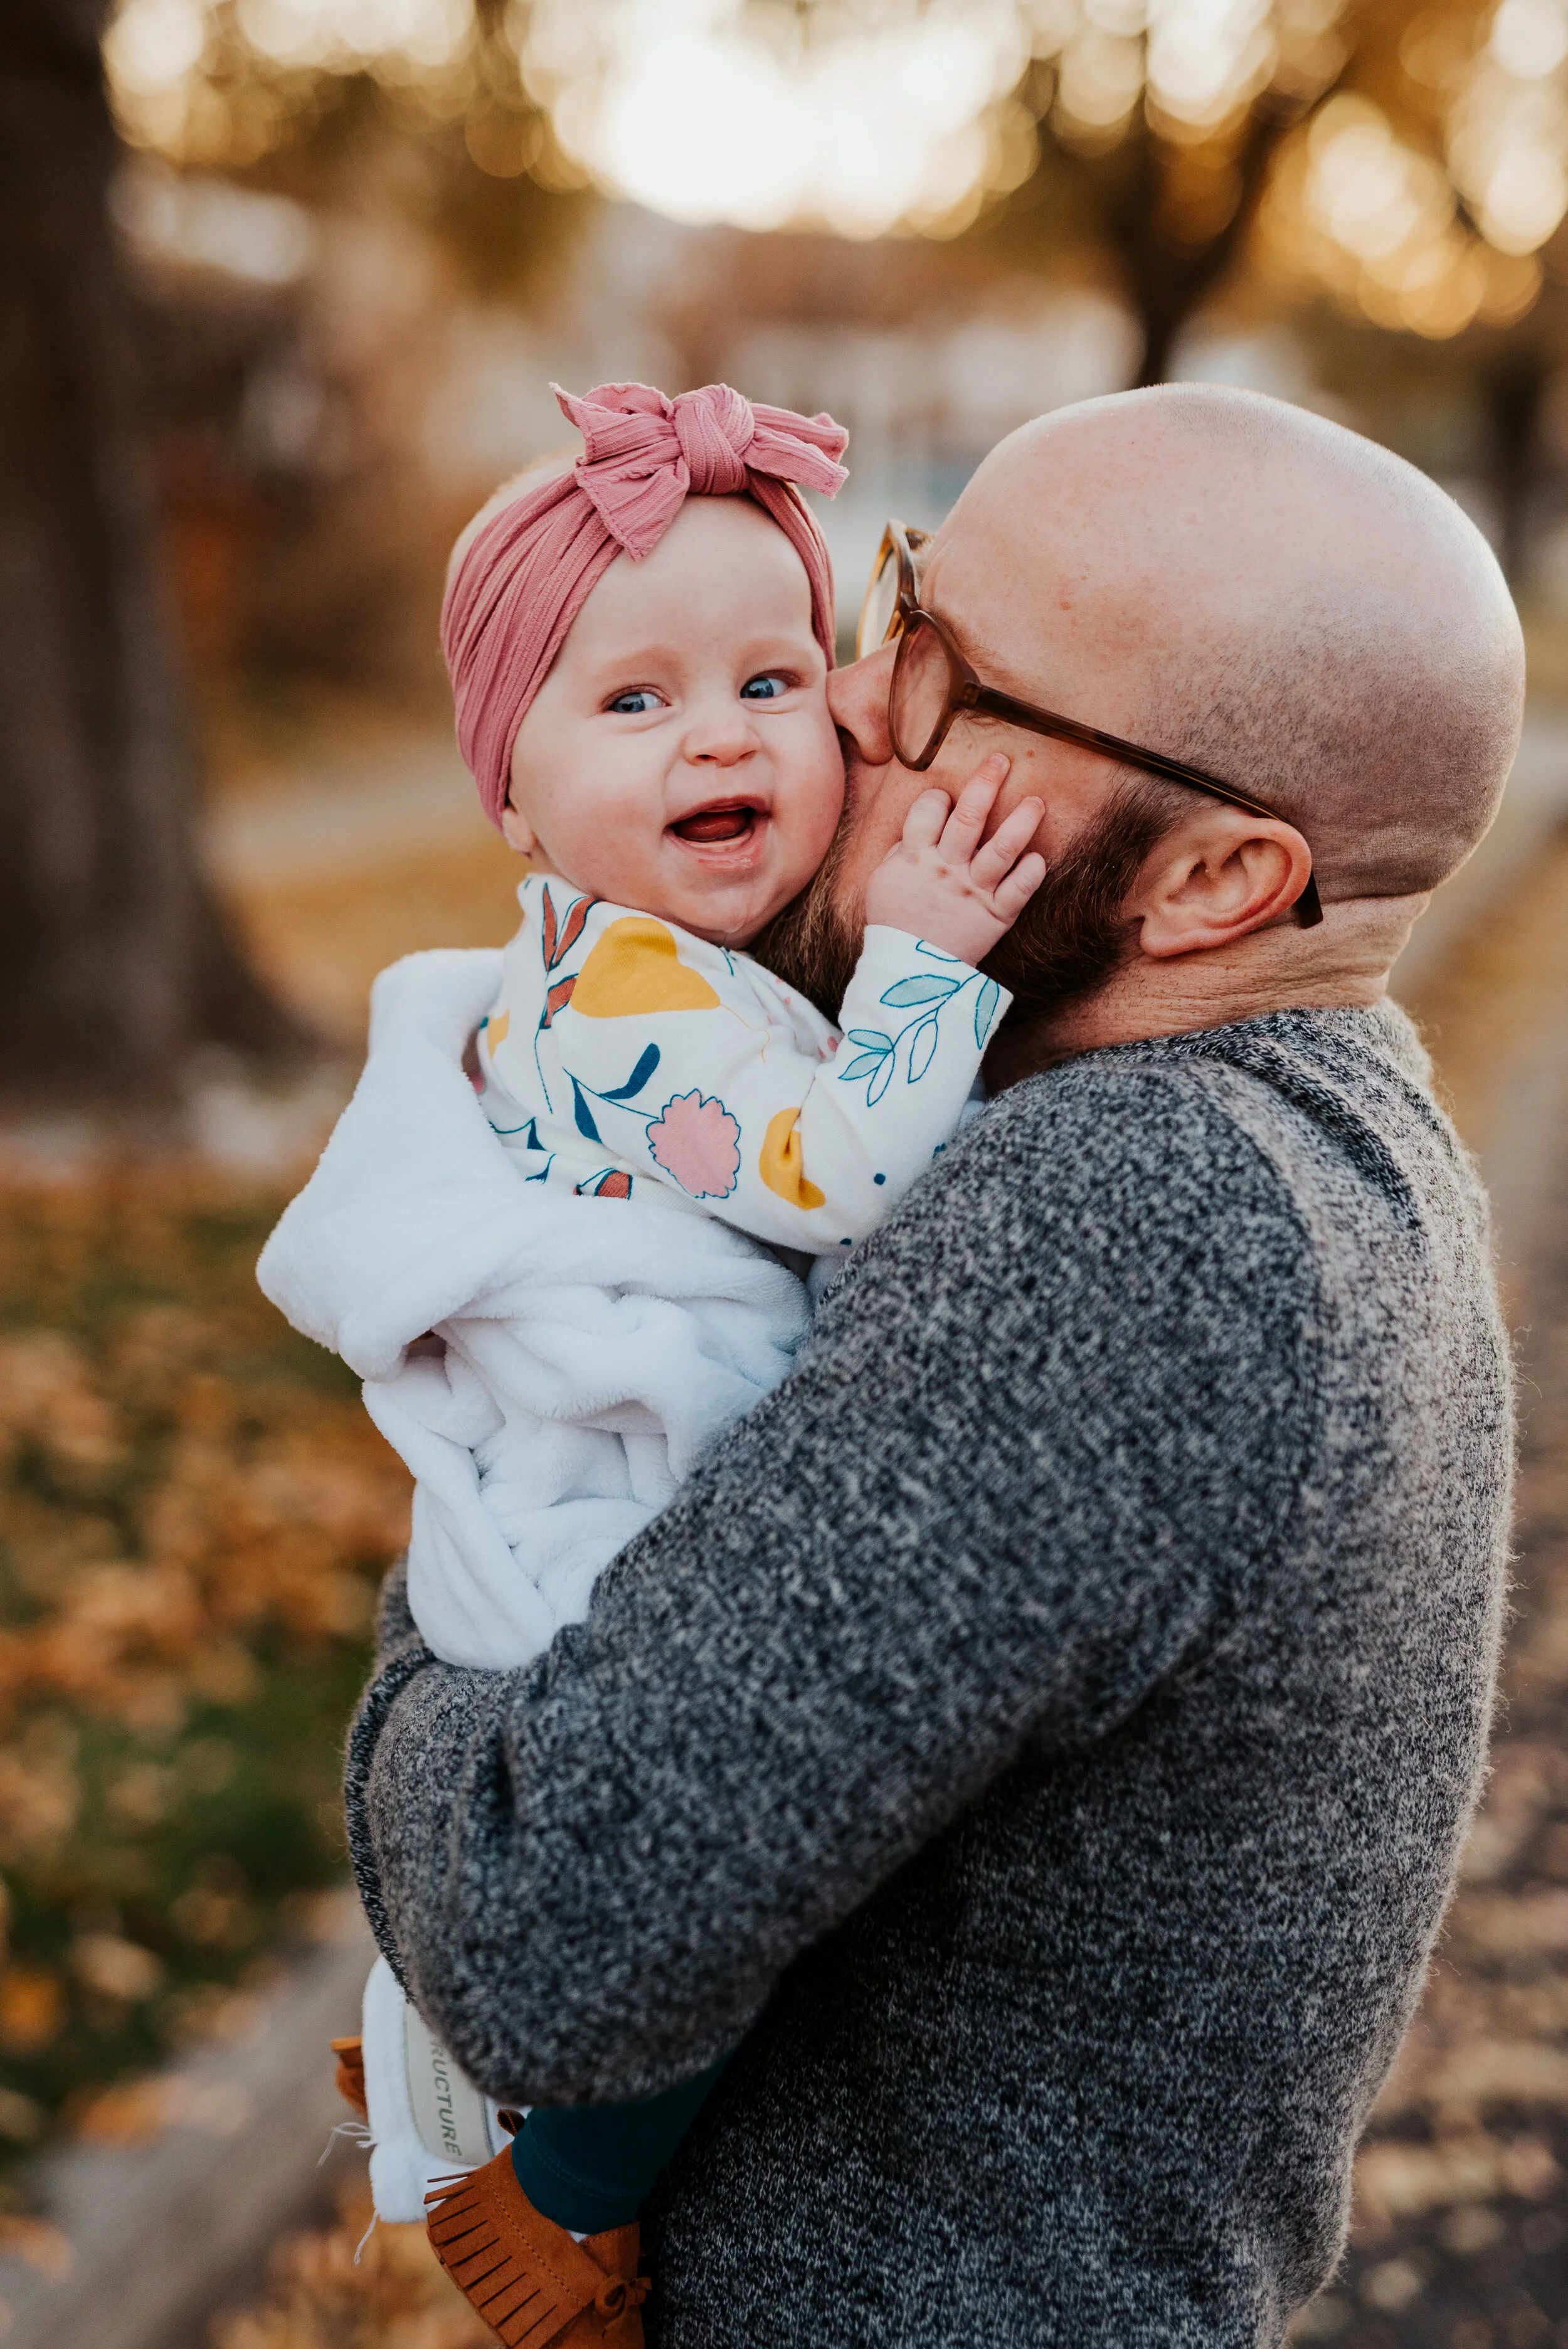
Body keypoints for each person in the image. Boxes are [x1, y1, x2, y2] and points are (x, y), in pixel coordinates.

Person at [343, 384, 1522, 2346]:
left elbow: (547, 1930)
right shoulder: (1334, 1137)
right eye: (894, 601)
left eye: (942, 677)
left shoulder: (1126, 1222)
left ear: (1210, 883)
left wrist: (464, 1524)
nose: (843, 703)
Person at [258, 379, 1047, 2321]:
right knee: (733, 1855)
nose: (718, 732)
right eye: (632, 701)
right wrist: (930, 967)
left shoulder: (666, 957)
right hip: (617, 1487)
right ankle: (566, 2196)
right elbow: (835, 1172)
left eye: (773, 681)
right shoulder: (624, 1004)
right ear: (509, 796)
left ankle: (441, 2063)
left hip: (638, 1434)